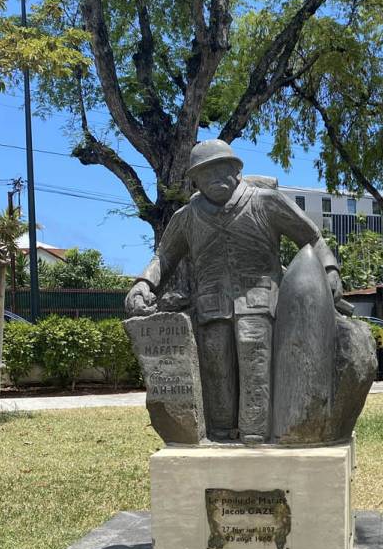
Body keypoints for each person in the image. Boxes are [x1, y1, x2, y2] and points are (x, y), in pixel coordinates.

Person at [125, 140, 343, 443]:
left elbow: (311, 237)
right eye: (206, 174)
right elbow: (164, 257)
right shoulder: (186, 218)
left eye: (221, 170)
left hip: (260, 298)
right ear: (195, 180)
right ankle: (221, 431)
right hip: (210, 303)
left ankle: (256, 431)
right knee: (215, 362)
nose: (215, 179)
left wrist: (330, 270)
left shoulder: (265, 202)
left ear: (235, 171)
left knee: (255, 352)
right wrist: (143, 283)